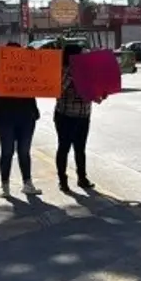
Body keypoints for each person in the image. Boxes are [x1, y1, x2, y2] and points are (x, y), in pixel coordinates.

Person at [0, 42, 42, 197]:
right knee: (7, 151)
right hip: (4, 117)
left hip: (26, 116)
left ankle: (27, 183)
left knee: (24, 151)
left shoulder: (27, 68)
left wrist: (35, 58)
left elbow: (41, 80)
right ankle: (4, 185)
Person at [55, 43, 99, 191]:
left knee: (80, 149)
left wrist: (101, 93)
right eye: (81, 54)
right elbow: (57, 90)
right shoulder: (63, 70)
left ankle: (82, 178)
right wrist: (73, 73)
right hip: (65, 116)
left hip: (83, 116)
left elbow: (96, 96)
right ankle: (62, 179)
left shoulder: (88, 71)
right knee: (64, 148)